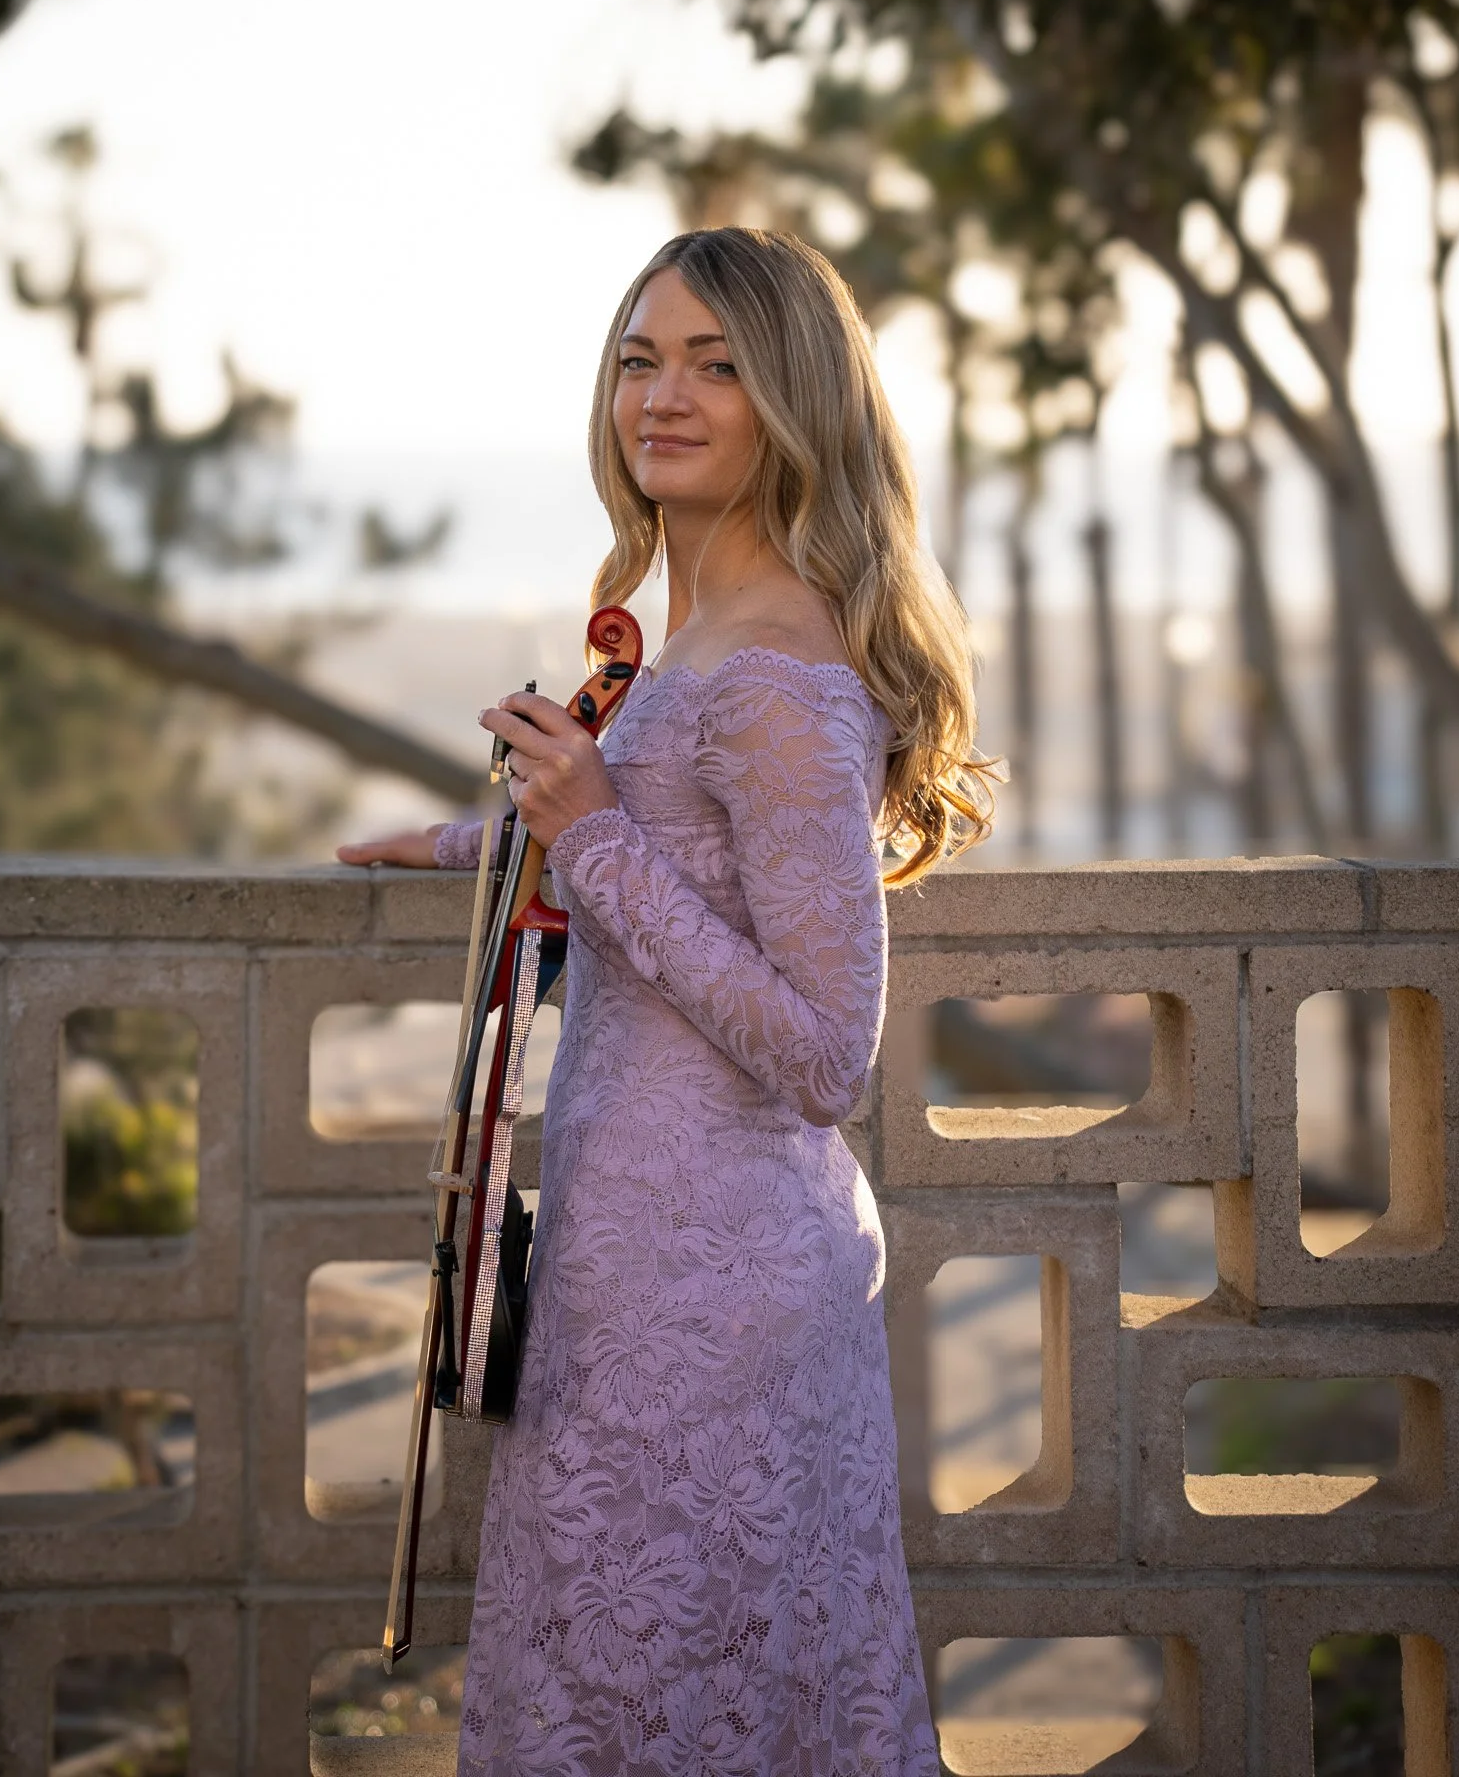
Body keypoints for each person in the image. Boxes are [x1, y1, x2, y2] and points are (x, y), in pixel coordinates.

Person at [337, 227, 993, 1776]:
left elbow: (828, 1050)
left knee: (666, 1711)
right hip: (631, 1272)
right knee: (628, 1701)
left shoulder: (776, 672)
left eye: (715, 364)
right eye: (641, 358)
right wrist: (470, 840)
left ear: (796, 400)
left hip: (722, 1305)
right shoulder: (697, 638)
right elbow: (646, 826)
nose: (664, 394)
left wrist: (595, 839)